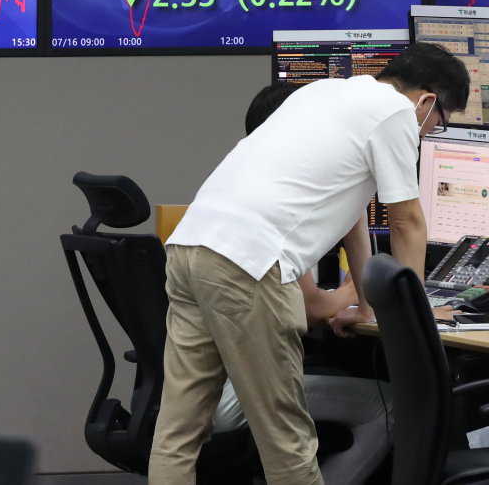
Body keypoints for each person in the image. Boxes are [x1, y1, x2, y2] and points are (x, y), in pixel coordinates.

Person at [150, 43, 467, 485]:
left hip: (190, 249)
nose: (428, 135)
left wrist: (369, 310)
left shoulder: (320, 94)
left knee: (178, 432)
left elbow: (353, 221)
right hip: (250, 265)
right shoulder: (396, 112)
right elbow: (408, 223)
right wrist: (412, 318)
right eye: (438, 126)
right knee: (288, 442)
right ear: (426, 101)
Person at [211, 82, 392, 485]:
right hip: (241, 391)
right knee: (392, 404)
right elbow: (312, 307)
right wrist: (363, 291)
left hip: (206, 387)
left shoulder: (233, 190)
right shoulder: (281, 201)